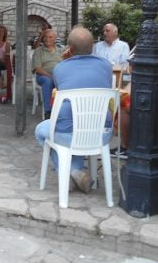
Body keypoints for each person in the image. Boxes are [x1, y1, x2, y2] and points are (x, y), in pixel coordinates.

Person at [35, 27, 113, 193]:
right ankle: (77, 174)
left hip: (70, 133)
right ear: (93, 46)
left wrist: (66, 60)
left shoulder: (60, 68)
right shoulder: (106, 66)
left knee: (41, 130)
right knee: (75, 124)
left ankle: (73, 172)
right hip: (101, 132)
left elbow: (61, 88)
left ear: (69, 48)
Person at [32, 28, 63, 118]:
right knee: (48, 81)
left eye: (50, 37)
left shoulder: (61, 51)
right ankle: (48, 112)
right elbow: (37, 69)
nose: (47, 39)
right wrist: (51, 76)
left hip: (58, 76)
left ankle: (63, 110)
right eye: (45, 37)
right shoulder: (38, 51)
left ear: (55, 39)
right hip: (43, 76)